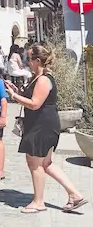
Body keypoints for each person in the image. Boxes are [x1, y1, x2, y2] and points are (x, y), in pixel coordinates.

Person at [5, 44, 88, 214]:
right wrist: (18, 91)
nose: (27, 62)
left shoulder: (43, 79)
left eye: (29, 58)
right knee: (46, 163)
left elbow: (35, 104)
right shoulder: (39, 77)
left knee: (35, 163)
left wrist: (14, 97)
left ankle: (38, 201)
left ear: (37, 60)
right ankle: (75, 194)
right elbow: (32, 97)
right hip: (42, 123)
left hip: (42, 125)